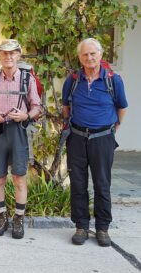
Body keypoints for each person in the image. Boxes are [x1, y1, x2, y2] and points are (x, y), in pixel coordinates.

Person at [62, 38, 127, 247]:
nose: (89, 58)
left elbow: (122, 108)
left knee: (102, 184)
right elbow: (66, 108)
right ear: (79, 57)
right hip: (77, 138)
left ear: (100, 54)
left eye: (93, 54)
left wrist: (112, 130)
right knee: (78, 185)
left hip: (102, 139)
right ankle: (81, 227)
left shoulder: (113, 80)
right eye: (85, 54)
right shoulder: (72, 81)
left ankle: (102, 228)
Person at [0, 39, 41, 239]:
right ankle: (1, 216)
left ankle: (19, 218)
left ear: (18, 55)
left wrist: (26, 116)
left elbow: (37, 106)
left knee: (19, 178)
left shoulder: (27, 80)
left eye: (12, 53)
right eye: (4, 53)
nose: (8, 57)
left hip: (18, 131)